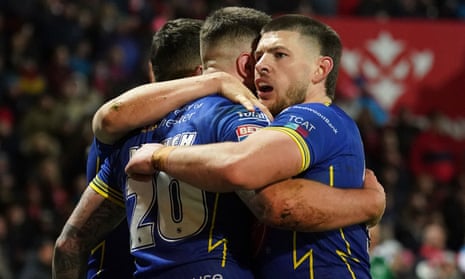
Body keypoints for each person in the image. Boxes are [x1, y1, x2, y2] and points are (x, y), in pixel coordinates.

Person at [125, 14, 375, 278]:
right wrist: (367, 204)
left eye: (280, 55)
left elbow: (248, 174)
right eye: (259, 55)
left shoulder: (315, 116)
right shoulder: (285, 124)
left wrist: (160, 156)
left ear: (320, 69)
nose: (262, 66)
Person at [52, 18, 216, 278]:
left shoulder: (117, 135)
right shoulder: (211, 129)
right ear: (202, 74)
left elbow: (67, 246)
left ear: (152, 69)